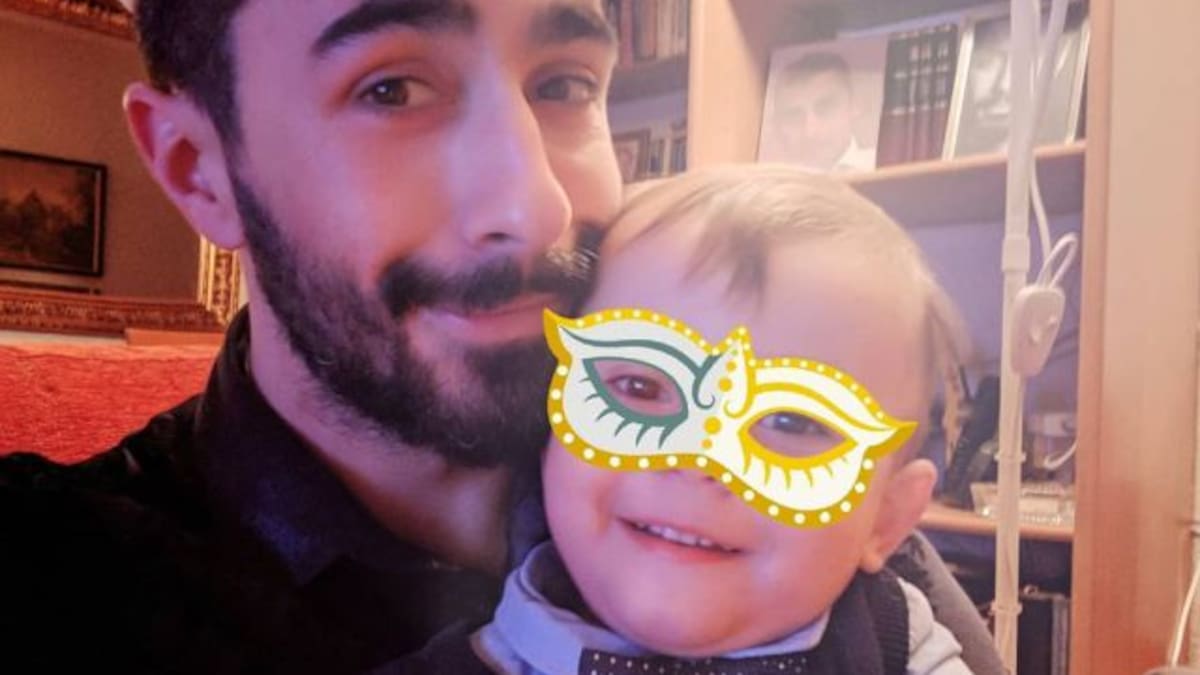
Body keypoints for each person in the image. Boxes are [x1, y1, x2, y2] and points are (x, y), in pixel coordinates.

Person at [0, 2, 1001, 674]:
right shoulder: (59, 593)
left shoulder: (785, 508)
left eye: (564, 84)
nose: (535, 206)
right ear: (196, 165)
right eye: (392, 89)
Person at [475, 167, 977, 674]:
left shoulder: (899, 641)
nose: (698, 460)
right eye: (640, 387)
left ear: (887, 520)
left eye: (791, 421)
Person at [769, 52, 876, 173]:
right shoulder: (765, 181)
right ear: (776, 126)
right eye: (794, 117)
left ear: (855, 106)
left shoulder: (882, 168)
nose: (810, 132)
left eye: (825, 110)